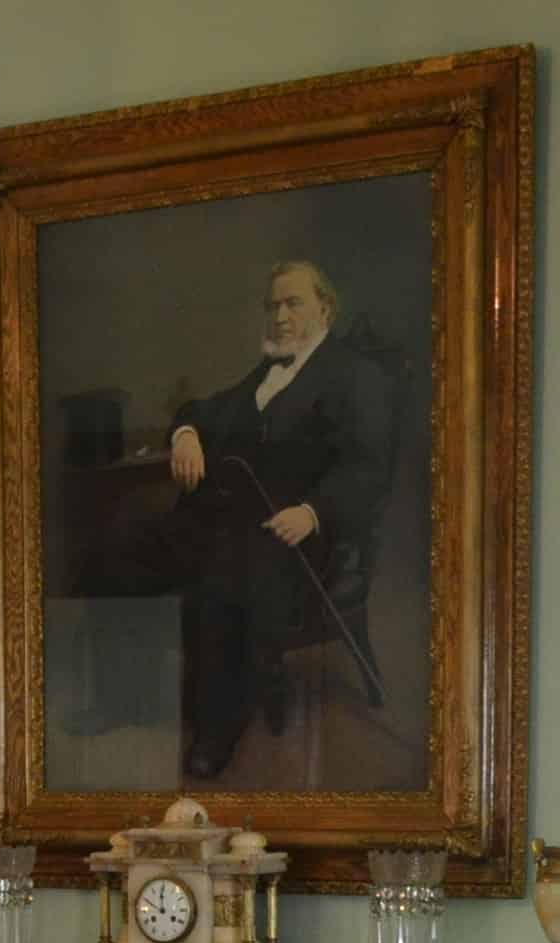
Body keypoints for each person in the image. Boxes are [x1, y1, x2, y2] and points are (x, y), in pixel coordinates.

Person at [159, 258, 393, 776]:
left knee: (221, 578)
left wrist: (313, 512)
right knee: (127, 546)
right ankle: (129, 703)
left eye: (293, 303)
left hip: (307, 540)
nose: (280, 316)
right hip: (237, 522)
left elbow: (368, 466)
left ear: (325, 308)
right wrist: (187, 434)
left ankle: (215, 731)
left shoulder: (355, 375)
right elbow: (204, 409)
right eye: (272, 306)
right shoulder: (268, 372)